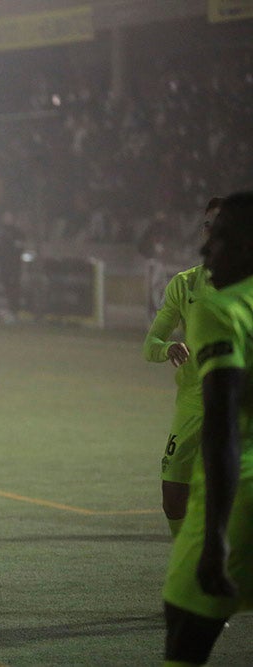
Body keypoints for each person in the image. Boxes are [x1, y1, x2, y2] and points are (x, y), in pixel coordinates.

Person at [162, 190, 253, 665]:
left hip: (239, 500)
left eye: (217, 239)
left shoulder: (222, 309)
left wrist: (215, 535)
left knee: (183, 636)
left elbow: (222, 429)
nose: (204, 250)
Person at [143, 197, 223, 538]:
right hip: (193, 399)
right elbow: (151, 345)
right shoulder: (184, 283)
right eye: (208, 225)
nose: (213, 232)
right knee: (172, 495)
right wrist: (168, 348)